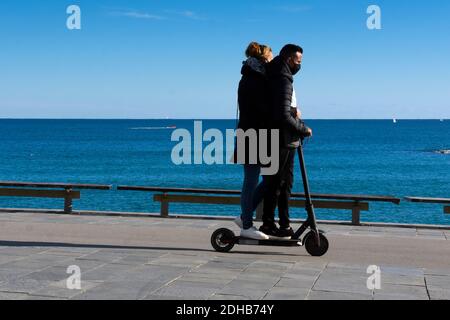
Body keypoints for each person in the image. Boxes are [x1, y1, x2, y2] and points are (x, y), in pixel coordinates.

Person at [259, 44, 312, 239]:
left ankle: (283, 224)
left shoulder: (275, 74)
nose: (299, 65)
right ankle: (270, 224)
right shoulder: (283, 79)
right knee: (278, 183)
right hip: (279, 138)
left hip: (278, 137)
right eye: (298, 61)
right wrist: (303, 129)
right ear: (289, 59)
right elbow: (282, 114)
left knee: (282, 182)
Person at [234, 42, 273, 240]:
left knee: (267, 179)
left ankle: (244, 217)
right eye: (271, 56)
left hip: (253, 132)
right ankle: (247, 225)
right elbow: (262, 109)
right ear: (264, 58)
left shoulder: (251, 76)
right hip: (252, 134)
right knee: (251, 181)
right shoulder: (255, 78)